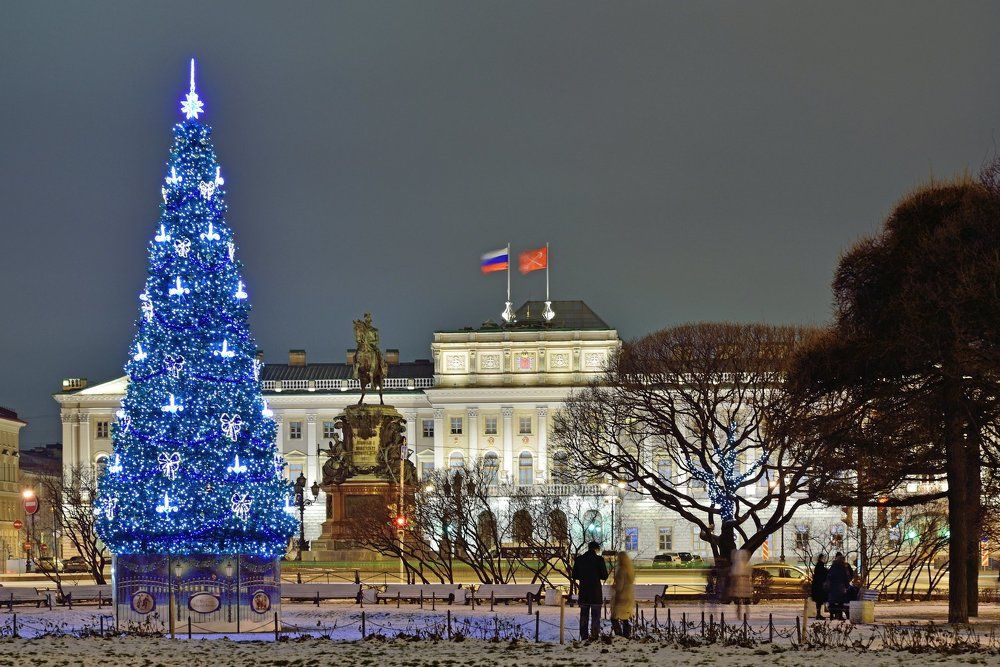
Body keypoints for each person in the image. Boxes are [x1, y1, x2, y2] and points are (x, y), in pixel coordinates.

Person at [572, 541, 609, 640]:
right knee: (595, 617)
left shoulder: (579, 559)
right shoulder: (599, 560)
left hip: (584, 592)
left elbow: (574, 575)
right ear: (596, 549)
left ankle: (584, 637)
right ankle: (594, 636)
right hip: (596, 593)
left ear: (588, 548)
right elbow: (604, 576)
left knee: (584, 616)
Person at [610, 551, 636, 637]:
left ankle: (620, 636)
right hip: (628, 597)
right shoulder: (629, 570)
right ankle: (626, 635)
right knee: (625, 618)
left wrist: (614, 587)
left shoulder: (621, 570)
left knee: (614, 618)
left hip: (621, 598)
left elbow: (619, 587)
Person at [826, 552, 854, 620]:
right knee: (841, 601)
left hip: (832, 588)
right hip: (841, 588)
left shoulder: (833, 566)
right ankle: (840, 615)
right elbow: (846, 577)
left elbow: (829, 576)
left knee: (832, 601)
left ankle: (832, 616)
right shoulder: (843, 567)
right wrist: (847, 586)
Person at [728, 549, 752, 618]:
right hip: (744, 587)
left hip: (739, 586)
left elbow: (733, 576)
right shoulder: (746, 565)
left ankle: (740, 614)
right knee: (745, 601)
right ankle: (745, 614)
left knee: (739, 601)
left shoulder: (736, 566)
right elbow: (749, 574)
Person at [810, 554, 829, 620]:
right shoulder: (821, 567)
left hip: (816, 586)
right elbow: (823, 575)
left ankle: (818, 614)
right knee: (819, 601)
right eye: (824, 558)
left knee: (818, 601)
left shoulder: (818, 566)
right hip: (819, 587)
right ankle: (818, 614)